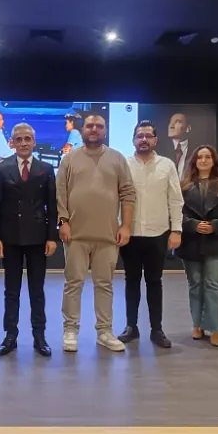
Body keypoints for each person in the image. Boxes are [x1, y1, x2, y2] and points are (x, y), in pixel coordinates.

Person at [56, 114, 136, 353]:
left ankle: (104, 331)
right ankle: (70, 330)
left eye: (99, 126)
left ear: (105, 130)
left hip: (108, 236)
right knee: (73, 283)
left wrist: (126, 226)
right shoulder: (70, 159)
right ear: (83, 130)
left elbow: (128, 193)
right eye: (90, 126)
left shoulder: (117, 159)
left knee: (105, 284)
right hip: (76, 235)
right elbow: (60, 194)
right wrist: (63, 221)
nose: (94, 129)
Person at [0, 123, 57, 357]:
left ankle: (40, 336)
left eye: (27, 139)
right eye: (19, 139)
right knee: (12, 290)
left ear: (34, 142)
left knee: (37, 291)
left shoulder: (45, 169)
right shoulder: (2, 168)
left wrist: (52, 237)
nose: (23, 143)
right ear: (12, 143)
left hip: (38, 238)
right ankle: (10, 336)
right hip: (10, 238)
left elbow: (52, 206)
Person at [117, 120, 183, 348]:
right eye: (139, 136)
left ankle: (157, 329)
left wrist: (176, 230)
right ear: (133, 140)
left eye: (148, 136)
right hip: (131, 234)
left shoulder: (167, 165)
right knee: (131, 281)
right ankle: (131, 327)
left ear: (155, 140)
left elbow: (175, 200)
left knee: (155, 282)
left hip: (158, 234)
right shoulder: (123, 165)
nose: (143, 139)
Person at [175, 145, 218, 347]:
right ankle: (197, 325)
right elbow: (176, 213)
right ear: (194, 161)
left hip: (216, 242)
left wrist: (215, 226)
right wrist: (193, 225)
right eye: (199, 157)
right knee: (195, 284)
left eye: (207, 157)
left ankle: (215, 328)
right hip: (191, 242)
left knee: (213, 285)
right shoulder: (183, 186)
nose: (203, 160)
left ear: (214, 161)